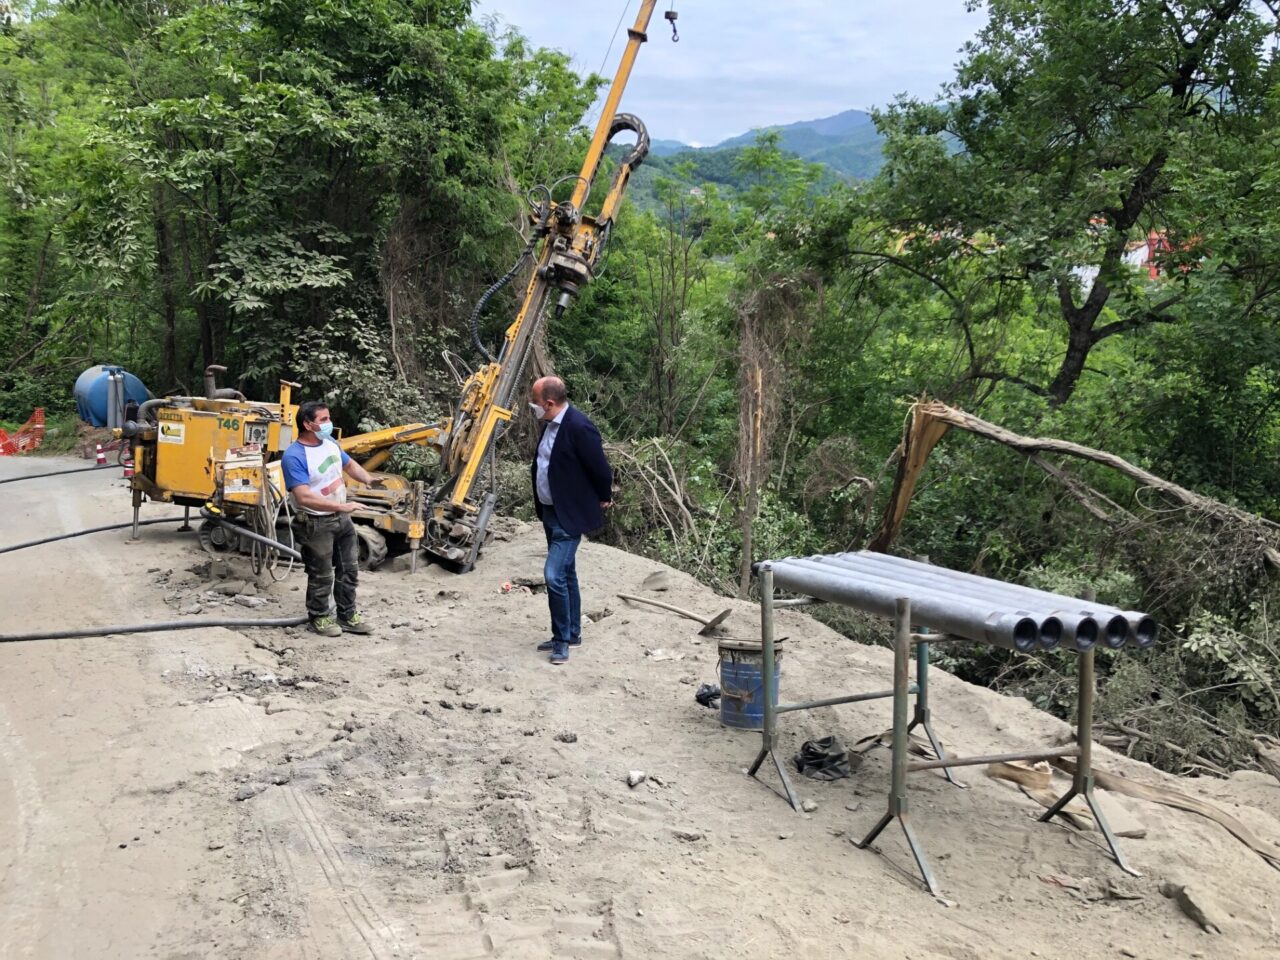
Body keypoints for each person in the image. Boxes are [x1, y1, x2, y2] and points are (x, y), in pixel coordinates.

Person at [528, 376, 613, 665]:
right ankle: (573, 632)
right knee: (567, 574)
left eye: (536, 404)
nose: (534, 408)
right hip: (550, 510)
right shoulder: (550, 426)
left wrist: (604, 494)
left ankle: (561, 640)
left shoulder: (579, 426)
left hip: (569, 513)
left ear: (549, 403)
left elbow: (600, 467)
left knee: (553, 575)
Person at [281, 400, 376, 637]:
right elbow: (303, 498)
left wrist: (368, 479)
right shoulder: (294, 456)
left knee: (349, 570)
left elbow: (349, 464)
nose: (329, 424)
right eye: (323, 420)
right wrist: (342, 506)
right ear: (307, 424)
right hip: (315, 522)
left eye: (328, 418)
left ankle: (347, 615)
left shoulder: (330, 443)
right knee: (322, 573)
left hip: (341, 519)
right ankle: (319, 617)